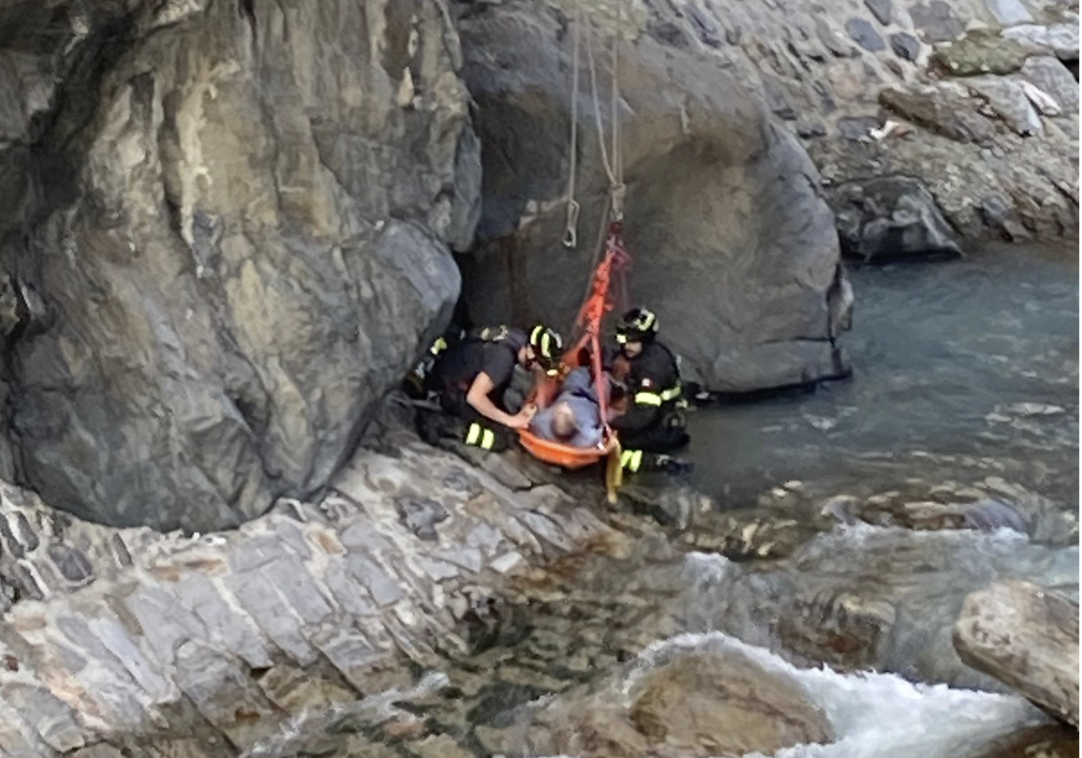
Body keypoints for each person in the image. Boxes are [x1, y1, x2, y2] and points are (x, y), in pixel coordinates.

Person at [419, 324, 558, 452]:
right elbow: (474, 397)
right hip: (447, 390)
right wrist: (512, 421)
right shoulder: (502, 360)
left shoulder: (516, 338)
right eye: (541, 364)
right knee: (500, 439)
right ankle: (448, 427)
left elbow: (538, 369)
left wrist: (540, 397)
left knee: (500, 402)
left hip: (454, 365)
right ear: (531, 352)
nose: (540, 369)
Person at [609, 306, 692, 474]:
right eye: (624, 341)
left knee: (617, 444)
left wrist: (608, 423)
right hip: (665, 415)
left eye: (632, 342)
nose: (626, 346)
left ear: (645, 340)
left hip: (661, 426)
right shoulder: (649, 352)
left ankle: (658, 463)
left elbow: (643, 416)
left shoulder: (650, 370)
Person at [530, 367, 608, 449]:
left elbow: (533, 421)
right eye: (566, 406)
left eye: (562, 406)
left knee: (579, 372)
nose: (565, 404)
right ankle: (598, 367)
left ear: (552, 417)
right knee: (604, 377)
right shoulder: (586, 436)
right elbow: (599, 435)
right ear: (576, 423)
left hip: (571, 390)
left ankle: (589, 367)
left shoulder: (541, 423)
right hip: (594, 400)